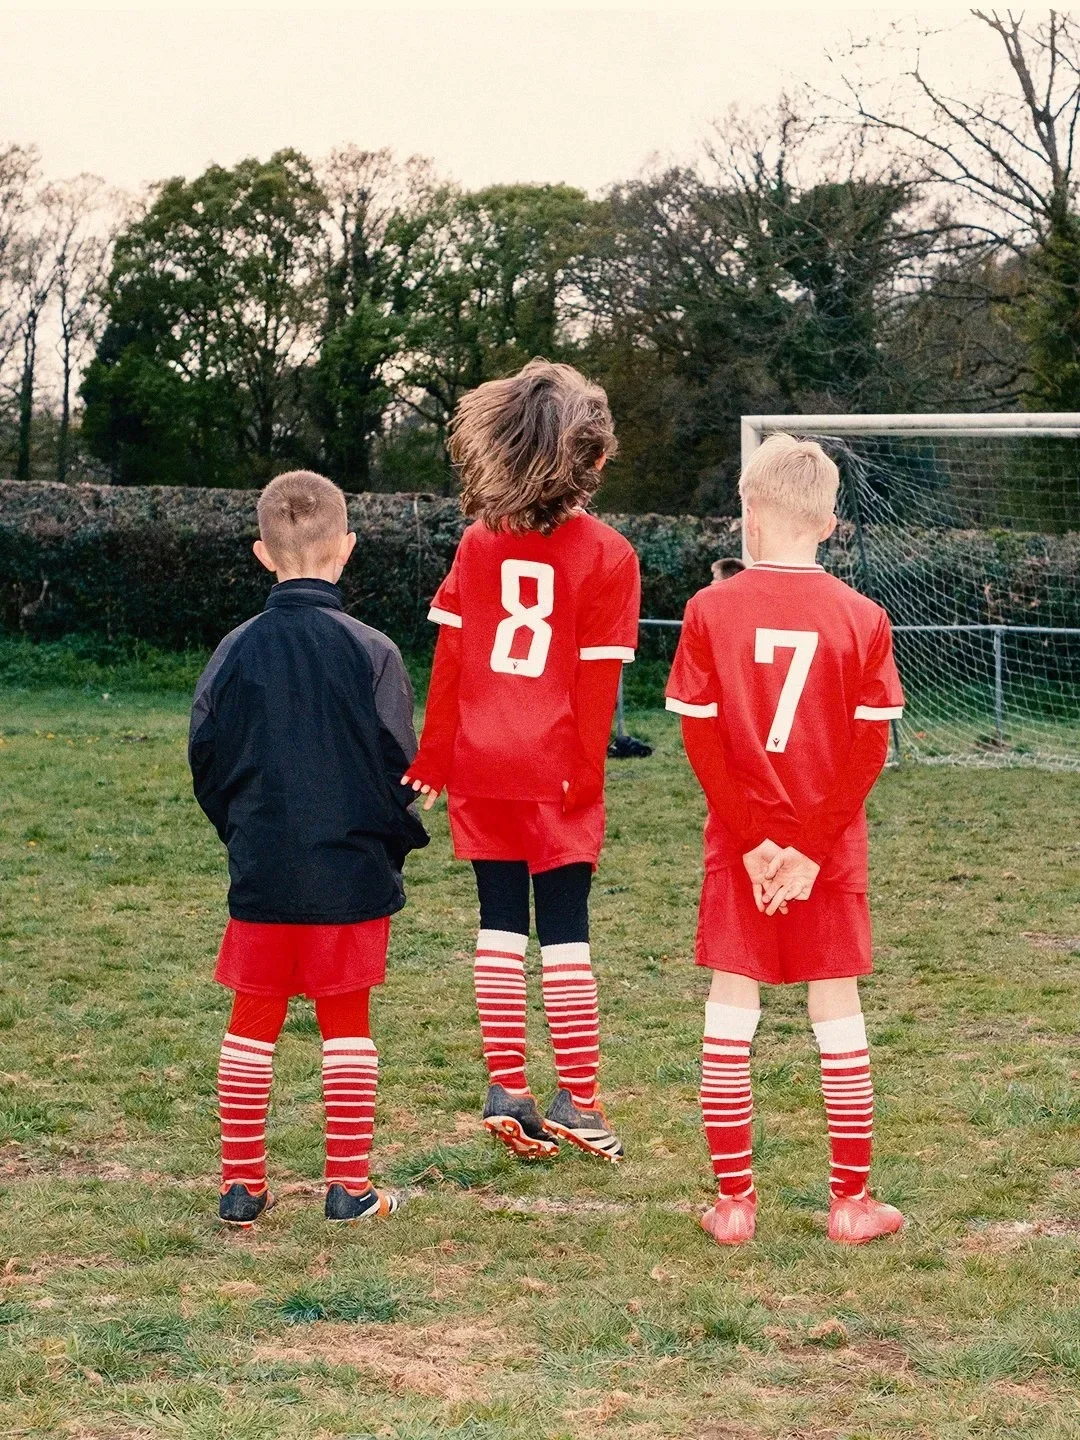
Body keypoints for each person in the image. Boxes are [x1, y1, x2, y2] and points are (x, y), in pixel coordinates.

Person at [665, 434, 905, 1246]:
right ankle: (851, 1204)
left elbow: (701, 744)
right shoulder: (864, 618)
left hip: (742, 848)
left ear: (749, 512)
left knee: (732, 1009)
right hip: (826, 851)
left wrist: (758, 841)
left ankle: (734, 1204)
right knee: (835, 1011)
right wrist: (805, 847)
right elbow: (869, 752)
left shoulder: (709, 610)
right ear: (831, 522)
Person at [403, 359, 640, 1163]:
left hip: (479, 762)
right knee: (565, 936)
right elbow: (596, 683)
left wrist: (433, 758)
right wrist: (587, 776)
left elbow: (451, 657)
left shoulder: (478, 540)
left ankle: (507, 1084)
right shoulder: (610, 554)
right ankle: (579, 1096)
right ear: (594, 460)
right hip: (556, 769)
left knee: (499, 926)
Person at [189, 470, 427, 1228]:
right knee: (346, 1022)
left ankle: (240, 1187)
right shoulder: (374, 651)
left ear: (263, 553)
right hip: (350, 873)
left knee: (251, 1021)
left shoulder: (234, 650)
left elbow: (205, 756)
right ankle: (348, 1188)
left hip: (264, 868)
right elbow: (404, 768)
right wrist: (395, 832)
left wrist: (246, 832)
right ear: (347, 549)